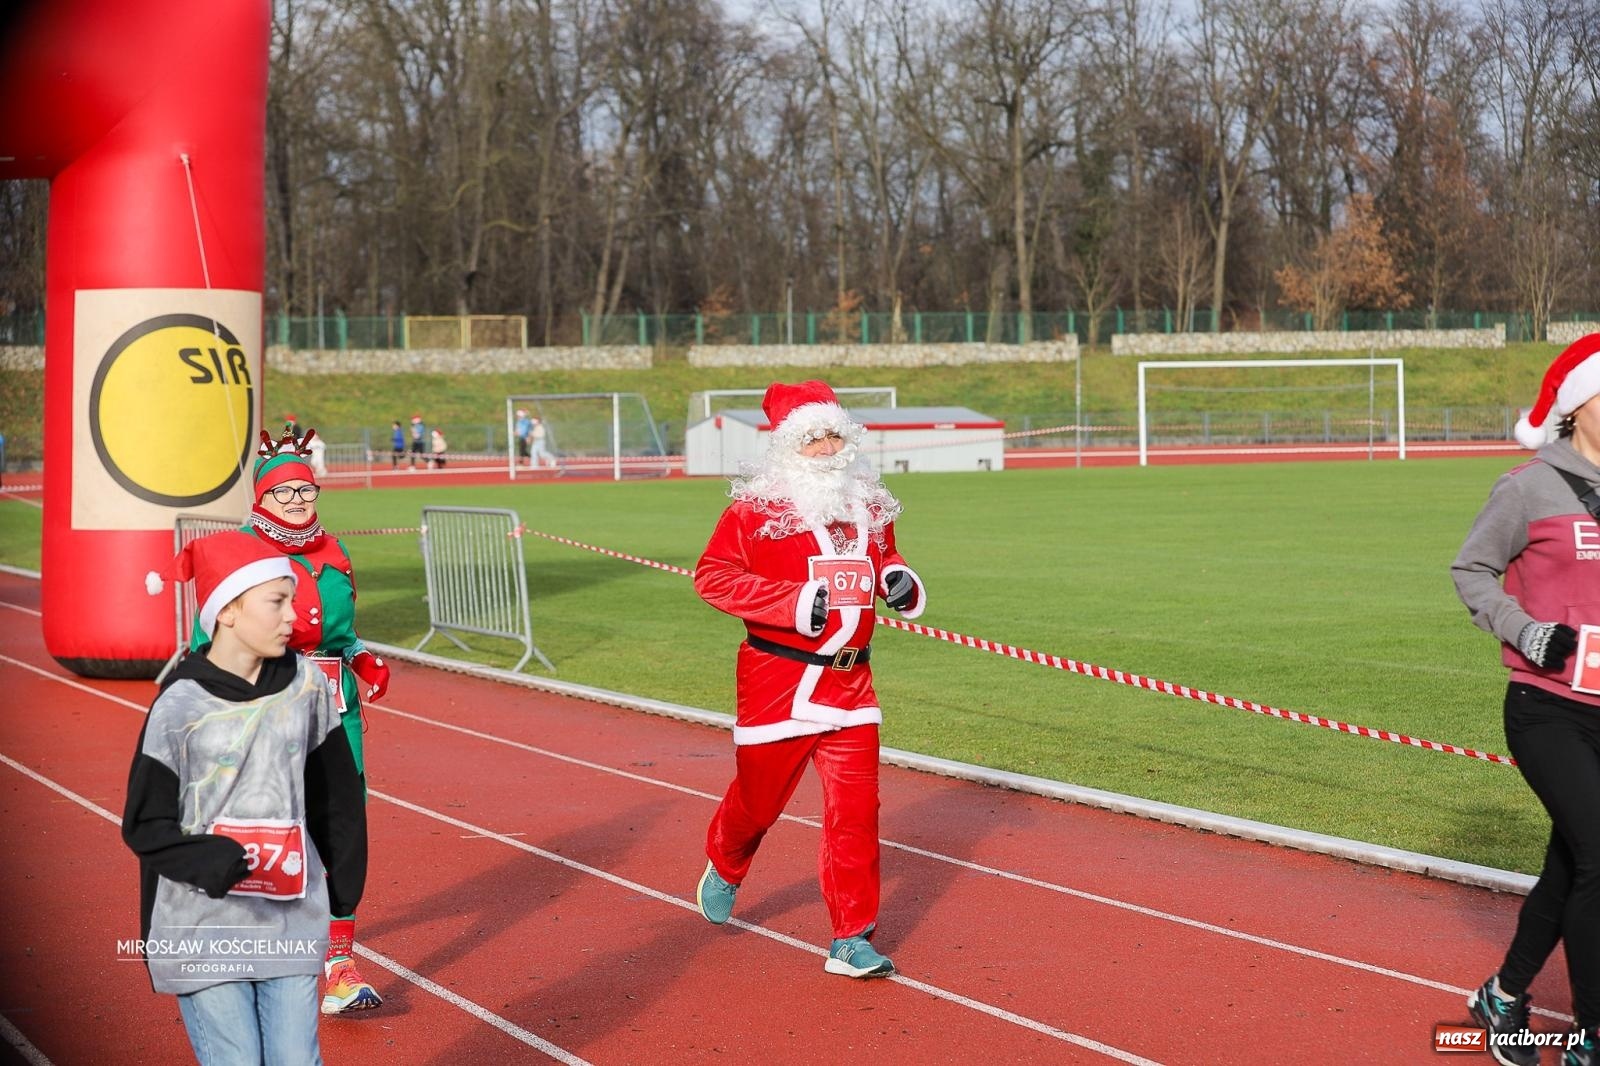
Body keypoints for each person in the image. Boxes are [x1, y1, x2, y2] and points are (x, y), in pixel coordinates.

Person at [691, 379, 925, 979]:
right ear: (786, 444)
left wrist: (898, 579)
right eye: (812, 437)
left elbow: (884, 560)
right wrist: (795, 604)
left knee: (855, 814)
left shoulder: (870, 506)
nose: (826, 448)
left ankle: (852, 938)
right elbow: (713, 578)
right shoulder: (754, 510)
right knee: (759, 802)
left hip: (853, 686)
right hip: (779, 682)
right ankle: (726, 859)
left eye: (833, 435)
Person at [126, 531, 367, 1065]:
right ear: (228, 611)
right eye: (278, 601)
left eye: (295, 600)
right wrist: (208, 859)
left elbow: (337, 800)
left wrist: (344, 891)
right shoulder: (180, 703)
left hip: (288, 918)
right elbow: (144, 823)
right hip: (201, 922)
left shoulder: (307, 690)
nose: (296, 616)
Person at [1453, 334, 1600, 1066]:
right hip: (1546, 708)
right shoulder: (1527, 486)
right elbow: (1471, 570)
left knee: (1576, 864)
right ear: (1577, 407)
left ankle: (1505, 995)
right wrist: (1525, 630)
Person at [244, 426, 391, 1015]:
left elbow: (343, 632)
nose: (300, 501)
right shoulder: (243, 554)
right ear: (262, 499)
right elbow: (214, 639)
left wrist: (361, 657)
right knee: (274, 828)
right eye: (286, 494)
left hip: (335, 711)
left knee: (343, 826)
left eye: (307, 491)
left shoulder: (335, 552)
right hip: (267, 707)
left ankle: (338, 963)